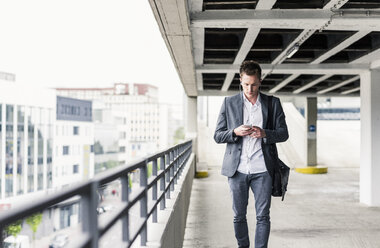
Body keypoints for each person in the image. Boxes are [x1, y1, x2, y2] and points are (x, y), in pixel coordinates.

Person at [214, 60, 289, 248]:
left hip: (263, 169)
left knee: (263, 216)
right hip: (236, 170)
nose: (250, 88)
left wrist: (265, 133)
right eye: (246, 84)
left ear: (260, 80)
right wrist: (234, 132)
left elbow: (283, 133)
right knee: (238, 216)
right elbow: (217, 135)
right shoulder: (228, 103)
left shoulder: (273, 103)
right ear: (240, 80)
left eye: (254, 84)